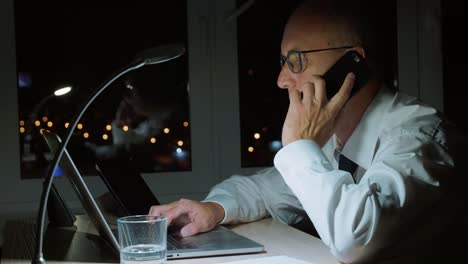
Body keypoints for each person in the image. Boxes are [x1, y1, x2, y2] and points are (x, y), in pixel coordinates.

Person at [149, 0, 467, 263]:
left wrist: (299, 144)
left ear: (353, 63)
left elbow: (354, 240)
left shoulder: (420, 136)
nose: (282, 80)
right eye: (283, 62)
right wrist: (213, 210)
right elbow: (263, 191)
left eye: (296, 61)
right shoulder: (338, 142)